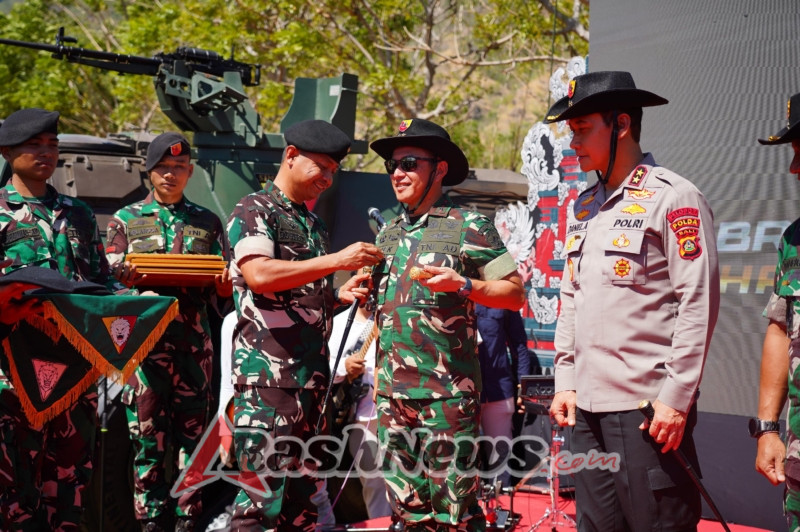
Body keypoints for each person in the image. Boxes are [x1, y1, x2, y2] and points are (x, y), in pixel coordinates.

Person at [545, 71, 720, 530]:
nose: (574, 142)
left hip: (647, 413)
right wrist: (565, 379)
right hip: (586, 412)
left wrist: (676, 400)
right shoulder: (581, 206)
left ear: (621, 124)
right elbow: (571, 296)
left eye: (583, 129)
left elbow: (697, 303)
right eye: (571, 131)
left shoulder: (674, 196)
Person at [226, 119, 384, 531]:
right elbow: (258, 275)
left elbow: (300, 300)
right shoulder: (254, 209)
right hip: (269, 386)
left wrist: (337, 296)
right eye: (321, 167)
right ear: (291, 156)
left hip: (312, 386)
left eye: (334, 171)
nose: (328, 179)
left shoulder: (310, 223)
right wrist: (336, 261)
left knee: (303, 507)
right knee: (259, 505)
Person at [369, 118, 525, 531]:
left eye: (408, 163)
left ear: (439, 169)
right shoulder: (387, 232)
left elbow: (514, 293)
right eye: (391, 165)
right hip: (391, 397)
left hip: (447, 397)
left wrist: (467, 284)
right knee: (407, 513)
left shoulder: (470, 226)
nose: (397, 173)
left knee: (455, 513)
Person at [0, 108, 124, 530]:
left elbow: (99, 282)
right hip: (12, 371)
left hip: (75, 371)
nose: (46, 153)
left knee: (70, 482)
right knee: (14, 486)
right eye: (34, 145)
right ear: (7, 151)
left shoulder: (79, 214)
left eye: (52, 145)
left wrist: (137, 301)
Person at [105, 131, 233, 532]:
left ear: (190, 171)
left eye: (179, 167)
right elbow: (110, 285)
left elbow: (223, 286)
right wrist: (124, 280)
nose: (171, 174)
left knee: (194, 443)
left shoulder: (208, 221)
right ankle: (150, 522)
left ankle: (188, 520)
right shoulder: (125, 220)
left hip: (194, 348)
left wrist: (226, 283)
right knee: (146, 443)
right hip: (144, 349)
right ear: (149, 171)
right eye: (163, 167)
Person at [753, 91, 800, 529]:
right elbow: (780, 329)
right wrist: (768, 428)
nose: (793, 169)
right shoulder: (794, 239)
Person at [328, 299, 392, 520]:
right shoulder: (338, 323)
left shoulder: (397, 316)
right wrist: (343, 367)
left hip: (399, 416)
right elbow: (320, 366)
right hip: (361, 418)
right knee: (375, 484)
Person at [474, 303, 530, 488]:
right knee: (462, 457)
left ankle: (500, 510)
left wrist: (523, 385)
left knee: (500, 460)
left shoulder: (503, 297)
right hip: (463, 391)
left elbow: (519, 344)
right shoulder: (452, 289)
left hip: (499, 390)